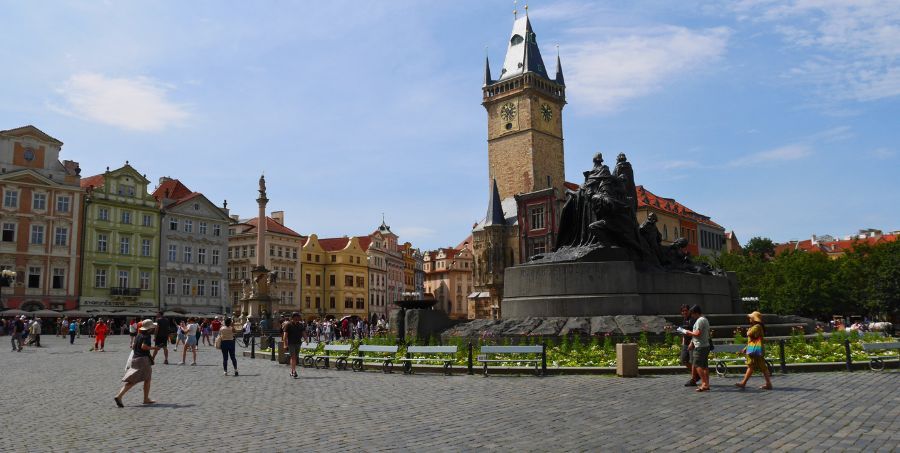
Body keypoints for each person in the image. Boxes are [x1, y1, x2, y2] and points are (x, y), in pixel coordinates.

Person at [114, 319, 159, 407]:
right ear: (149, 328)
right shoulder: (147, 336)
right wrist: (154, 348)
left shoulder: (138, 334)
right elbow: (144, 346)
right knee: (147, 379)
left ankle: (120, 396)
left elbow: (134, 346)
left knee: (133, 380)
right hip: (143, 360)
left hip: (135, 358)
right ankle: (144, 399)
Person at [736, 311, 773, 390]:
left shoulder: (757, 326)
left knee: (755, 366)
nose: (749, 319)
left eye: (750, 317)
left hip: (755, 350)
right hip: (755, 349)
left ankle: (744, 383)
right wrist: (746, 348)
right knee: (755, 366)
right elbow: (752, 340)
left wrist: (748, 330)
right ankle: (768, 383)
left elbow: (749, 334)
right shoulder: (756, 326)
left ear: (753, 319)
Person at [682, 305, 711, 392]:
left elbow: (697, 333)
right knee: (705, 366)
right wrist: (692, 342)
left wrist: (688, 332)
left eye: (692, 314)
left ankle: (704, 384)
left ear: (696, 313)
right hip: (705, 345)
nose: (692, 316)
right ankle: (707, 384)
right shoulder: (704, 319)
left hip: (700, 346)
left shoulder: (699, 320)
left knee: (697, 365)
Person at [678, 304, 698, 387]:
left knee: (692, 361)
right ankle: (696, 375)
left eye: (686, 310)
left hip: (692, 343)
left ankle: (694, 379)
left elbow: (695, 332)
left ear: (689, 311)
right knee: (683, 360)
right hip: (685, 343)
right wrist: (683, 341)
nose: (684, 312)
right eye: (683, 311)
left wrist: (691, 342)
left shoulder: (692, 319)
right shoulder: (684, 319)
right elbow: (684, 332)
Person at [282, 312, 305, 379]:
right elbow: (285, 336)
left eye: (298, 317)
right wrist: (285, 344)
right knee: (293, 357)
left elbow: (303, 332)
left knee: (294, 357)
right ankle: (294, 371)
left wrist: (306, 339)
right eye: (296, 317)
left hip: (298, 343)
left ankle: (292, 371)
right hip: (291, 343)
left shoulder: (300, 325)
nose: (298, 318)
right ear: (293, 317)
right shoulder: (288, 325)